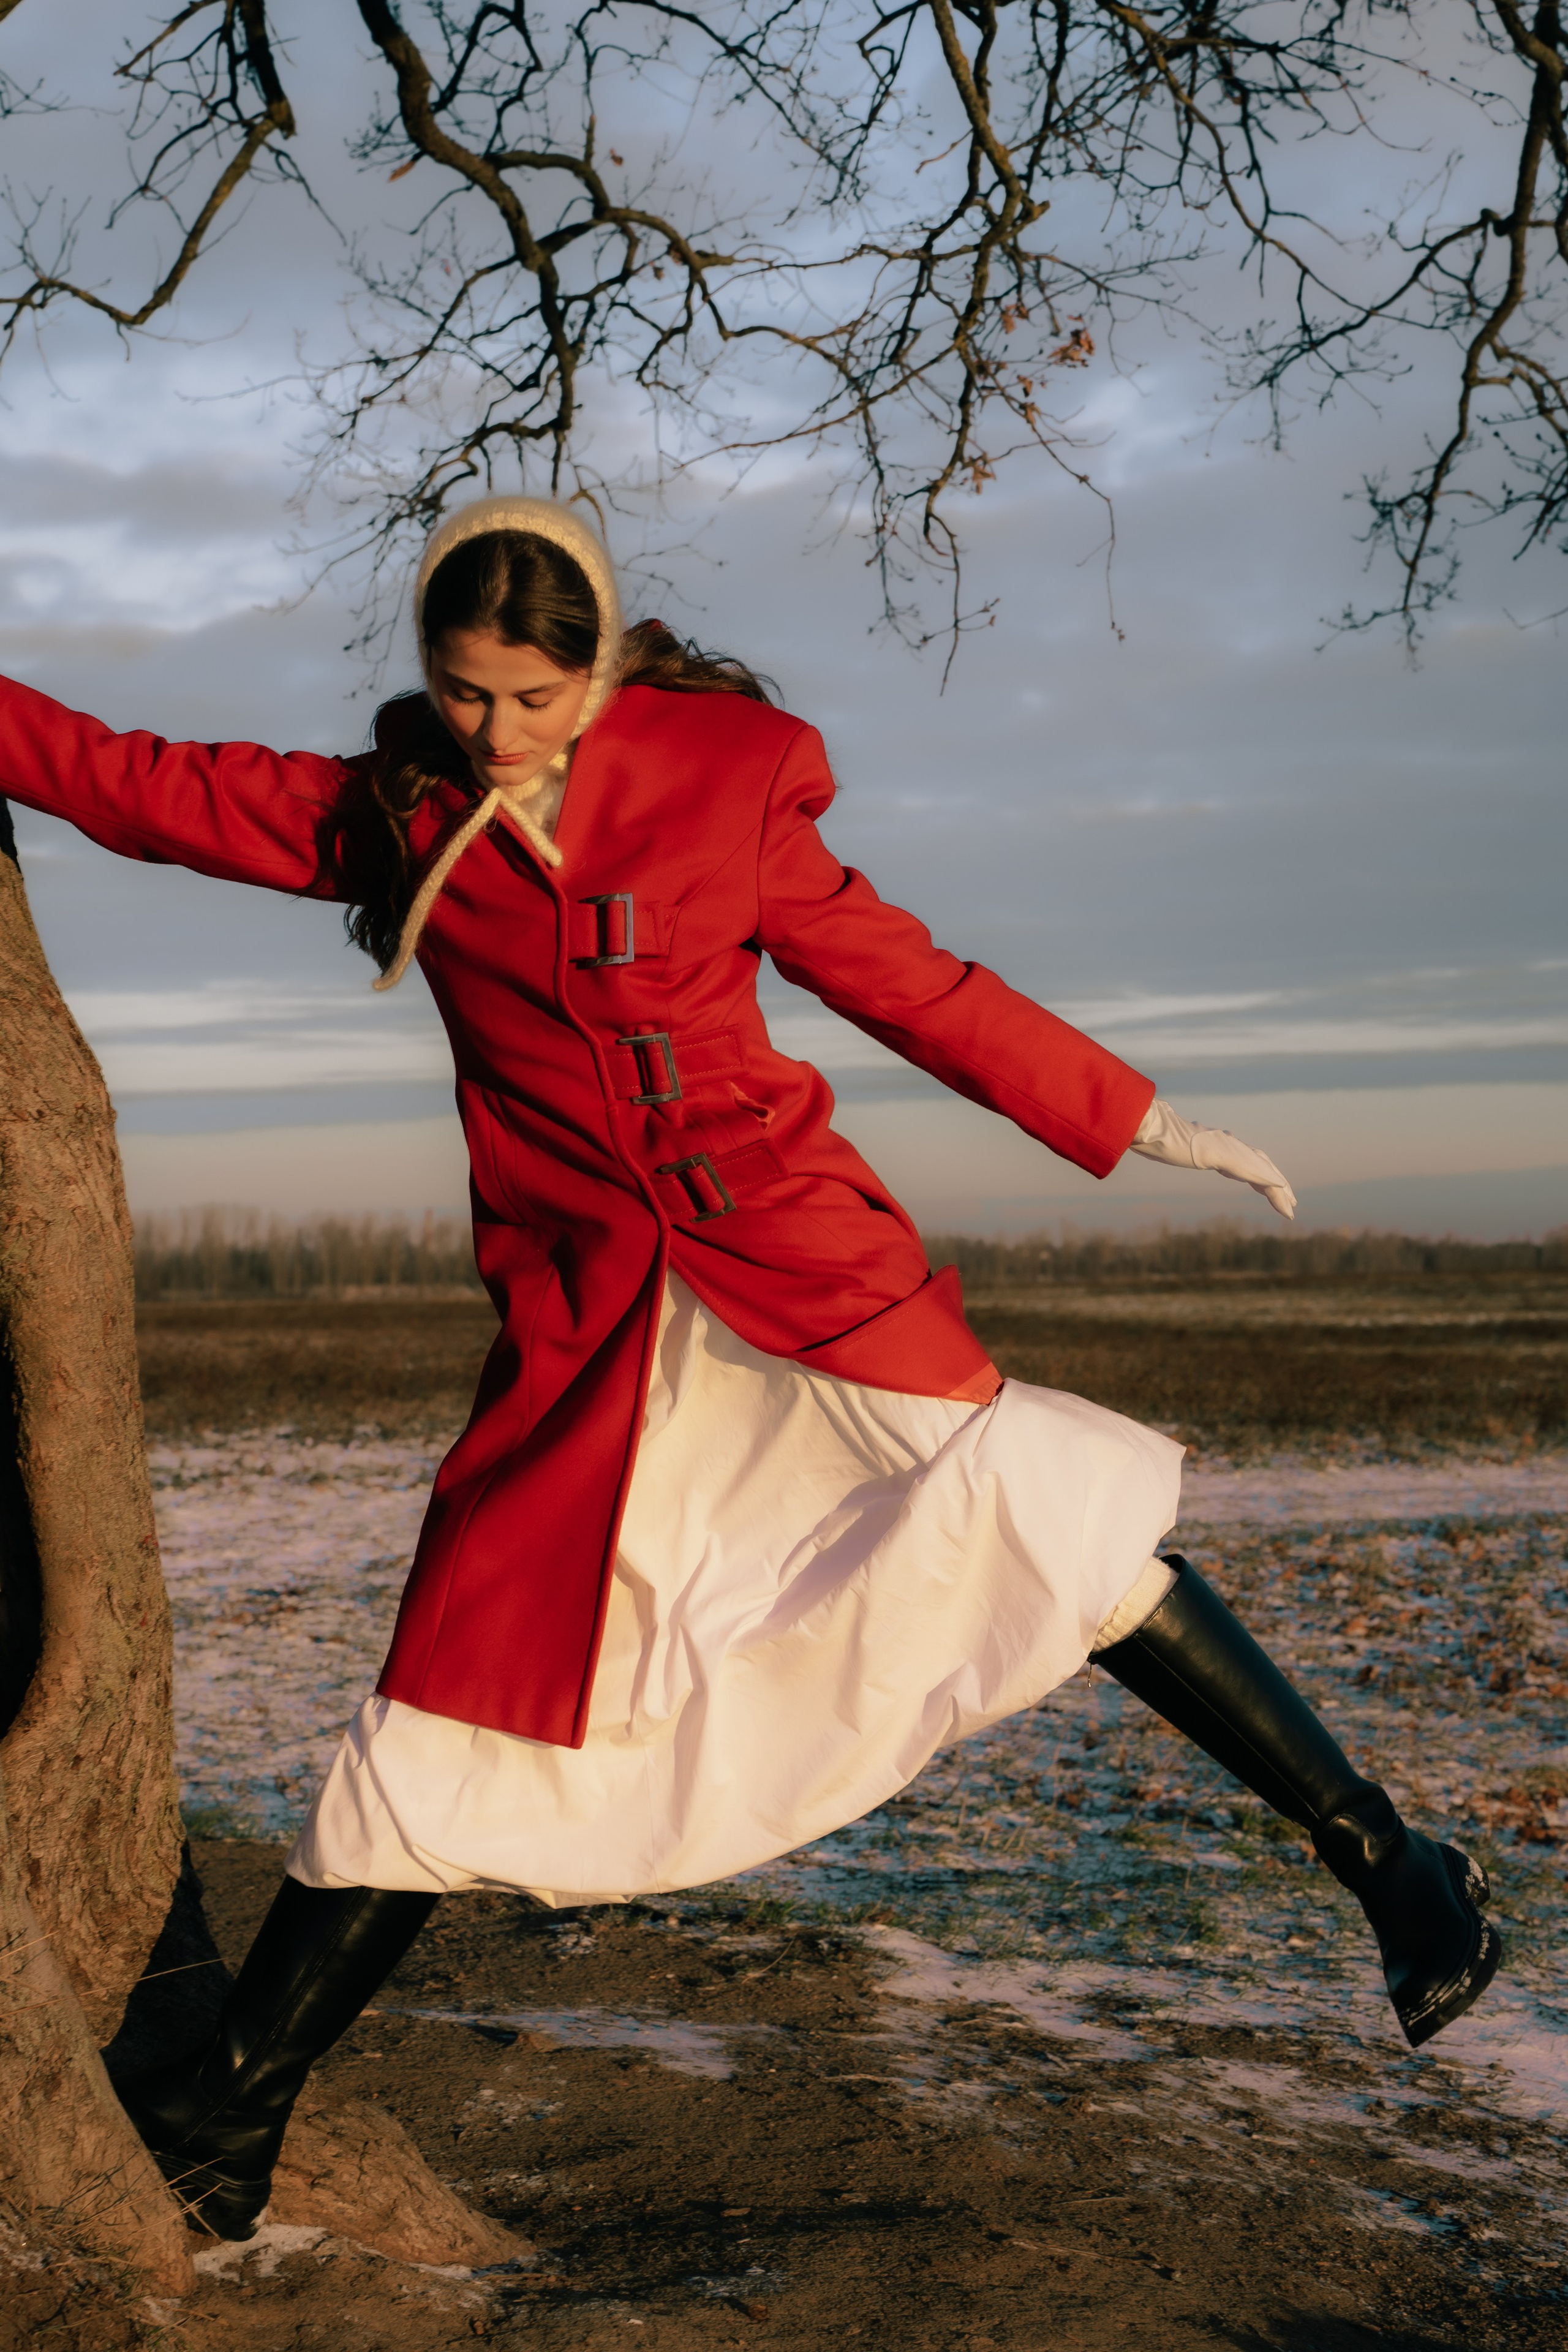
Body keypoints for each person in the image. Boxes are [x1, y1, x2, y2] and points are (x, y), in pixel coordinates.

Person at [0, 497, 1500, 2240]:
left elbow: (916, 985)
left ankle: (1393, 1869)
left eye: (531, 699)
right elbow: (138, 778)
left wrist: (1144, 1118)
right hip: (593, 1335)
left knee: (1048, 1523)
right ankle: (227, 2101)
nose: (496, 732)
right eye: (462, 693)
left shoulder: (726, 784)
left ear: (601, 664)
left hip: (800, 1268)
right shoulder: (399, 814)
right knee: (453, 1688)